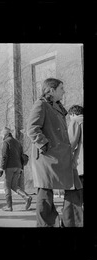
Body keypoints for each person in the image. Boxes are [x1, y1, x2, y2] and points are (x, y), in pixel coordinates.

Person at [26, 78, 83, 227]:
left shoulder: (57, 106)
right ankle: (47, 224)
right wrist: (45, 145)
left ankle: (73, 222)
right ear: (51, 90)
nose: (64, 91)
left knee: (75, 188)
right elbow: (32, 128)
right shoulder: (41, 104)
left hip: (61, 155)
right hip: (48, 156)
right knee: (45, 192)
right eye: (61, 88)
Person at [0, 127, 32, 211]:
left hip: (10, 166)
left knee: (7, 186)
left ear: (5, 134)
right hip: (18, 166)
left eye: (1, 135)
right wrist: (21, 168)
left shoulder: (6, 142)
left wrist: (1, 168)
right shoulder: (17, 142)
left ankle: (9, 206)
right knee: (14, 186)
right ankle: (26, 197)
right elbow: (22, 156)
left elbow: (4, 156)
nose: (1, 137)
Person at [66, 104, 84, 223]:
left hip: (79, 166)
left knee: (73, 199)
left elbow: (70, 144)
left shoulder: (76, 122)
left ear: (72, 114)